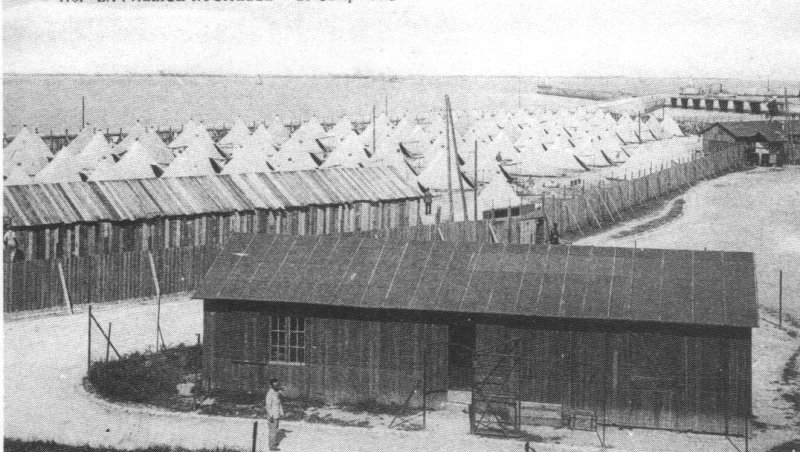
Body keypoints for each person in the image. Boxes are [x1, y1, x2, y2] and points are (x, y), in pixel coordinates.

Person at [265, 378, 284, 451]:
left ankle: (273, 442)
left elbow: (279, 404)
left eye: (277, 384)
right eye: (274, 384)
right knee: (273, 431)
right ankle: (272, 446)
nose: (276, 386)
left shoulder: (276, 393)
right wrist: (271, 417)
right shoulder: (270, 394)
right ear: (271, 385)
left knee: (275, 430)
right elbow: (268, 407)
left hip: (277, 415)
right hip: (272, 417)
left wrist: (281, 413)